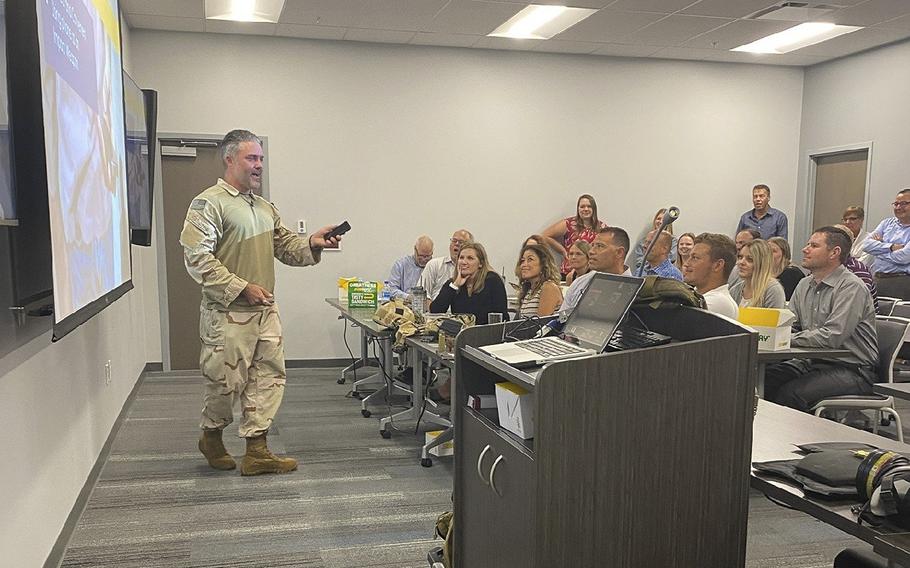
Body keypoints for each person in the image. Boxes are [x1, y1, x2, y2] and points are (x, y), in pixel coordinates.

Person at [180, 129, 340, 476]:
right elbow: (197, 258)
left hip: (265, 310)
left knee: (267, 378)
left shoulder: (265, 208)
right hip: (227, 313)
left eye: (261, 159)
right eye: (252, 158)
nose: (259, 166)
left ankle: (257, 451)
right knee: (225, 382)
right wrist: (240, 287)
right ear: (230, 159)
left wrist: (312, 242)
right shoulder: (209, 204)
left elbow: (285, 248)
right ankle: (211, 436)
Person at [764, 227, 878, 412]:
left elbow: (832, 337)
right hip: (811, 361)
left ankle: (797, 440)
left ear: (835, 252)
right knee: (761, 381)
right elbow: (790, 324)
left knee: (791, 394)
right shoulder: (804, 284)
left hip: (852, 369)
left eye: (814, 245)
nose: (805, 249)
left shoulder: (851, 287)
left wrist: (783, 339)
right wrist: (778, 334)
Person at [560, 227, 632, 318]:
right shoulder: (579, 283)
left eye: (599, 246)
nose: (591, 251)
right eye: (592, 245)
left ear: (619, 253)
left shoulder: (632, 290)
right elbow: (561, 319)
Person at [430, 242, 508, 325]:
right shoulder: (452, 284)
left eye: (470, 258)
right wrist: (455, 285)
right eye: (461, 258)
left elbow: (502, 316)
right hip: (460, 335)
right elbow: (435, 311)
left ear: (480, 263)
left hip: (487, 334)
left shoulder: (492, 281)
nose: (464, 262)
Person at [541, 194, 607, 277]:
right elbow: (545, 236)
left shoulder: (602, 228)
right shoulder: (569, 224)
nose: (586, 209)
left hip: (592, 273)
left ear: (594, 209)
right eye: (582, 206)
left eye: (589, 206)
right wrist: (563, 251)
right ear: (578, 209)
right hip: (569, 271)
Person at [862, 189, 910, 300]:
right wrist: (890, 247)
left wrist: (877, 250)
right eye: (896, 204)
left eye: (904, 204)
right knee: (874, 316)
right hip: (877, 279)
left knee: (896, 317)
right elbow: (865, 245)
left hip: (901, 282)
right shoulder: (887, 223)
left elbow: (903, 257)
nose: (898, 207)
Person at [682, 233, 739, 320]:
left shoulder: (719, 301)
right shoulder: (698, 295)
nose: (686, 264)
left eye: (695, 258)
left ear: (717, 265)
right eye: (689, 257)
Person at [833, 224, 879, 313]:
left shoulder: (858, 272)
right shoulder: (819, 271)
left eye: (815, 246)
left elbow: (854, 311)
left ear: (837, 249)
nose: (806, 249)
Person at [728, 239, 786, 308]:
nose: (741, 262)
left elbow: (774, 318)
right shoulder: (734, 290)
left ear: (762, 263)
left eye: (750, 259)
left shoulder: (773, 290)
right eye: (740, 257)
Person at [420, 229, 473, 301]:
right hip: (436, 310)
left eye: (461, 242)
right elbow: (422, 294)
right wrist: (433, 310)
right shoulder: (434, 264)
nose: (457, 244)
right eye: (454, 241)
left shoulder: (473, 269)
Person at [515, 244, 563, 318]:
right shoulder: (529, 290)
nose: (524, 265)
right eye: (522, 260)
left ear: (543, 264)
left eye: (530, 259)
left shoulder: (549, 287)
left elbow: (540, 324)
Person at [630, 208, 678, 272]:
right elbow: (639, 261)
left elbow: (671, 258)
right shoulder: (643, 241)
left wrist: (651, 260)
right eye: (658, 219)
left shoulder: (673, 241)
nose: (661, 221)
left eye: (664, 219)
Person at [386, 235, 433, 300]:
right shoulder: (400, 265)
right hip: (404, 306)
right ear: (415, 250)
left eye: (427, 256)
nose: (424, 259)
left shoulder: (434, 267)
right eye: (421, 255)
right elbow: (391, 289)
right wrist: (407, 297)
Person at [768, 236, 806, 301]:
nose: (768, 254)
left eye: (773, 251)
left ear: (784, 254)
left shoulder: (792, 273)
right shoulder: (762, 273)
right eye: (766, 250)